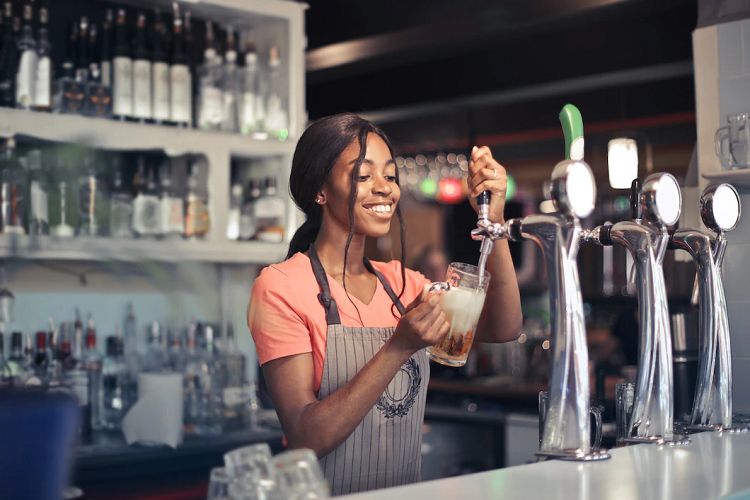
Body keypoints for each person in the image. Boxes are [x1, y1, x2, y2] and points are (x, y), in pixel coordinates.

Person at [247, 113, 522, 495]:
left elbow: (504, 327)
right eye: (363, 176)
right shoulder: (281, 287)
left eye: (390, 176)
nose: (384, 189)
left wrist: (495, 221)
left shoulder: (402, 283)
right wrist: (399, 346)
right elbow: (305, 436)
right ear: (320, 190)